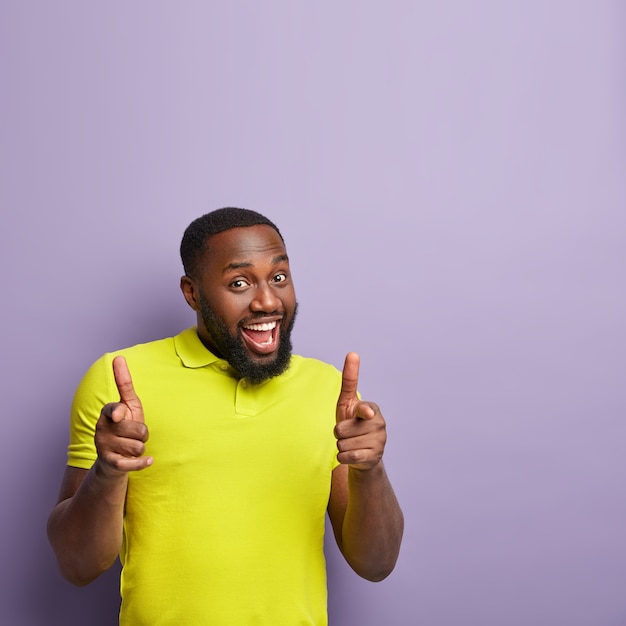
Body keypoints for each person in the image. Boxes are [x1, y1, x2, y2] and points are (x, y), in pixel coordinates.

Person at [47, 207, 404, 625]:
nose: (268, 300)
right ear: (192, 293)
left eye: (279, 277)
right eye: (239, 282)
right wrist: (107, 472)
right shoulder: (118, 380)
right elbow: (77, 566)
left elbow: (376, 564)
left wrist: (370, 469)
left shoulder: (329, 391)